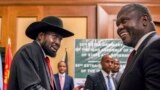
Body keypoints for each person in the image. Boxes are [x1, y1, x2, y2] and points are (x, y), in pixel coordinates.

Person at [8, 16, 74, 90]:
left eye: (60, 39)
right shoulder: (27, 52)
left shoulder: (42, 57)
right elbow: (31, 88)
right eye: (54, 37)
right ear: (41, 36)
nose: (58, 43)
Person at [116, 3, 160, 90]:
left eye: (124, 21)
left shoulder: (156, 46)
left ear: (144, 20)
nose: (119, 27)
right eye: (117, 25)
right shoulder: (141, 51)